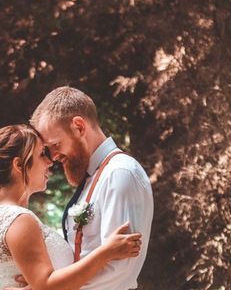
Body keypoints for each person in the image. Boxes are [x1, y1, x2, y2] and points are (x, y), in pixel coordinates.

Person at [0, 124, 142, 290]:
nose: (50, 161)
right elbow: (47, 285)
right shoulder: (18, 220)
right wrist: (106, 252)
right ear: (19, 165)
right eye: (41, 154)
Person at [30, 86, 154, 290]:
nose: (53, 157)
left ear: (79, 127)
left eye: (55, 144)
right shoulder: (93, 177)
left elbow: (118, 271)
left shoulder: (119, 173)